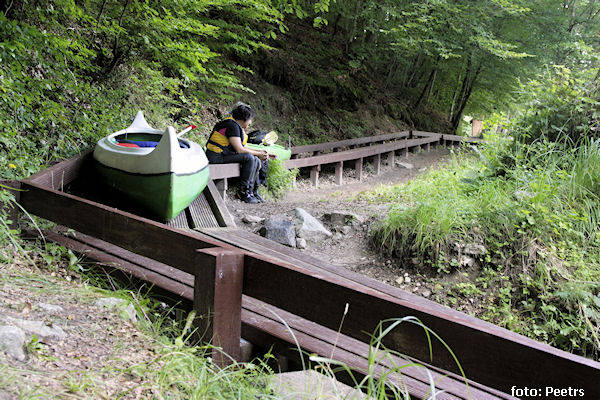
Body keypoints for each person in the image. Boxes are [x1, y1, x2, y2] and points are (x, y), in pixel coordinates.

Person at [205, 104, 269, 203]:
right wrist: (257, 154)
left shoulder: (235, 125)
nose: (250, 122)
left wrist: (259, 153)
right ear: (245, 119)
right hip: (215, 157)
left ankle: (252, 192)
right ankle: (243, 192)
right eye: (250, 119)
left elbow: (242, 147)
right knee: (249, 158)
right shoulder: (231, 125)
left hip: (222, 155)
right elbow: (239, 149)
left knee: (255, 158)